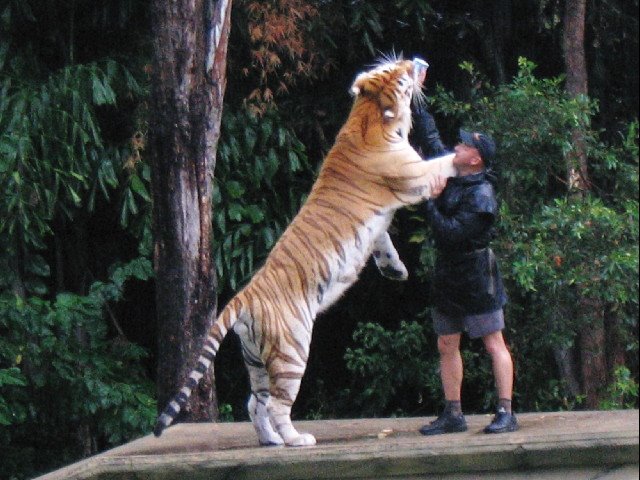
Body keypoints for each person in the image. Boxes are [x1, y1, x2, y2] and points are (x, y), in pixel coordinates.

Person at [419, 129, 518, 435]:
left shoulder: (482, 195)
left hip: (476, 274)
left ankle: (506, 411)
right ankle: (453, 414)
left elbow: (449, 232)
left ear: (475, 158)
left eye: (463, 145)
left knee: (493, 342)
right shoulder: (456, 174)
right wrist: (417, 96)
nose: (456, 147)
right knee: (446, 342)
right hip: (449, 272)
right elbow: (432, 138)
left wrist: (429, 202)